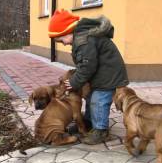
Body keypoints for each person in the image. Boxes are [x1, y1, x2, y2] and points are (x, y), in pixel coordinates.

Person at [48, 9, 129, 145]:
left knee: (98, 101)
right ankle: (89, 122)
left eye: (62, 40)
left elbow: (87, 66)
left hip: (108, 75)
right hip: (101, 73)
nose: (65, 44)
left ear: (69, 30)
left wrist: (74, 82)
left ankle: (101, 130)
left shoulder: (84, 41)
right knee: (91, 97)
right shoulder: (81, 38)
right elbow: (86, 64)